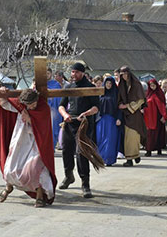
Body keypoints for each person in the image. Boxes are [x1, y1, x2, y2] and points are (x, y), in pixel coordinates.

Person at [0, 88, 57, 208]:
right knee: (10, 169)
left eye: (33, 104)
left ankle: (40, 196)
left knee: (35, 169)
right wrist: (1, 91)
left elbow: (43, 128)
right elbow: (2, 102)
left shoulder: (43, 108)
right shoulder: (21, 106)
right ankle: (8, 188)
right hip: (20, 140)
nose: (31, 107)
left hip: (37, 144)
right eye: (27, 105)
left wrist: (30, 119)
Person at [58, 63, 100, 198]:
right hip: (69, 123)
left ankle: (85, 184)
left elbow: (96, 107)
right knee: (66, 150)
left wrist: (86, 113)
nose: (73, 74)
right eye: (72, 72)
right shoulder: (68, 87)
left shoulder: (90, 87)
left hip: (84, 124)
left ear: (82, 73)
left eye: (76, 72)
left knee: (81, 153)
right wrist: (65, 115)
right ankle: (68, 175)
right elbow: (61, 106)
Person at [118, 66, 146, 166]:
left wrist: (127, 106)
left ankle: (131, 158)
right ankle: (134, 156)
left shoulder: (136, 84)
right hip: (125, 115)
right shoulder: (122, 85)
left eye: (125, 74)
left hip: (134, 115)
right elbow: (119, 97)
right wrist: (120, 105)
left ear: (129, 74)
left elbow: (141, 100)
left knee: (133, 136)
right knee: (126, 138)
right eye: (122, 75)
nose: (124, 76)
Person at [96, 77, 122, 166]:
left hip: (112, 120)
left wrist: (119, 118)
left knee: (110, 140)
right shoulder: (100, 93)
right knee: (100, 139)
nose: (108, 85)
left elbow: (119, 108)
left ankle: (108, 160)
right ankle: (100, 159)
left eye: (110, 83)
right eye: (107, 83)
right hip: (101, 120)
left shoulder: (116, 94)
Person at [144, 79, 167, 156]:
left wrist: (163, 116)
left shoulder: (159, 94)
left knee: (158, 134)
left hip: (158, 117)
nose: (152, 87)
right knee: (150, 134)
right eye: (151, 85)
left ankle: (159, 148)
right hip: (150, 116)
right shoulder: (148, 94)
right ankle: (149, 150)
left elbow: (162, 105)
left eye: (153, 85)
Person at [47, 68, 62, 150]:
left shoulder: (56, 84)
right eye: (44, 73)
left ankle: (51, 148)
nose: (46, 75)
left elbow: (59, 98)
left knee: (53, 130)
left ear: (51, 74)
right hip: (43, 111)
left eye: (48, 73)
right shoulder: (38, 84)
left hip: (53, 110)